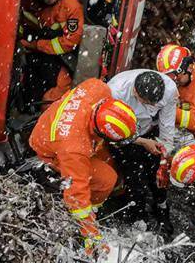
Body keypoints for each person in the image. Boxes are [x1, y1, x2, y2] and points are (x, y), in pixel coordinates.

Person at [29, 78, 137, 257]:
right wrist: (90, 233)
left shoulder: (98, 89)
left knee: (108, 161)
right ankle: (91, 212)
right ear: (100, 133)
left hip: (55, 127)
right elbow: (76, 193)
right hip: (49, 149)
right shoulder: (74, 150)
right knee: (107, 180)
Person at [107, 69, 178, 234]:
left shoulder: (169, 89)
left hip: (148, 131)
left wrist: (164, 157)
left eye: (156, 103)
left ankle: (161, 205)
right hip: (123, 136)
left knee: (157, 174)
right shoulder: (115, 92)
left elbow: (167, 127)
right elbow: (110, 132)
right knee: (134, 176)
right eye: (148, 103)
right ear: (135, 92)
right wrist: (140, 142)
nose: (153, 107)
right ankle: (138, 215)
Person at [19, 0, 84, 110]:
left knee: (51, 99)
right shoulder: (27, 2)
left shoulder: (71, 7)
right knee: (30, 91)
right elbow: (19, 26)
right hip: (33, 56)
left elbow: (70, 42)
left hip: (60, 58)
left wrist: (36, 45)